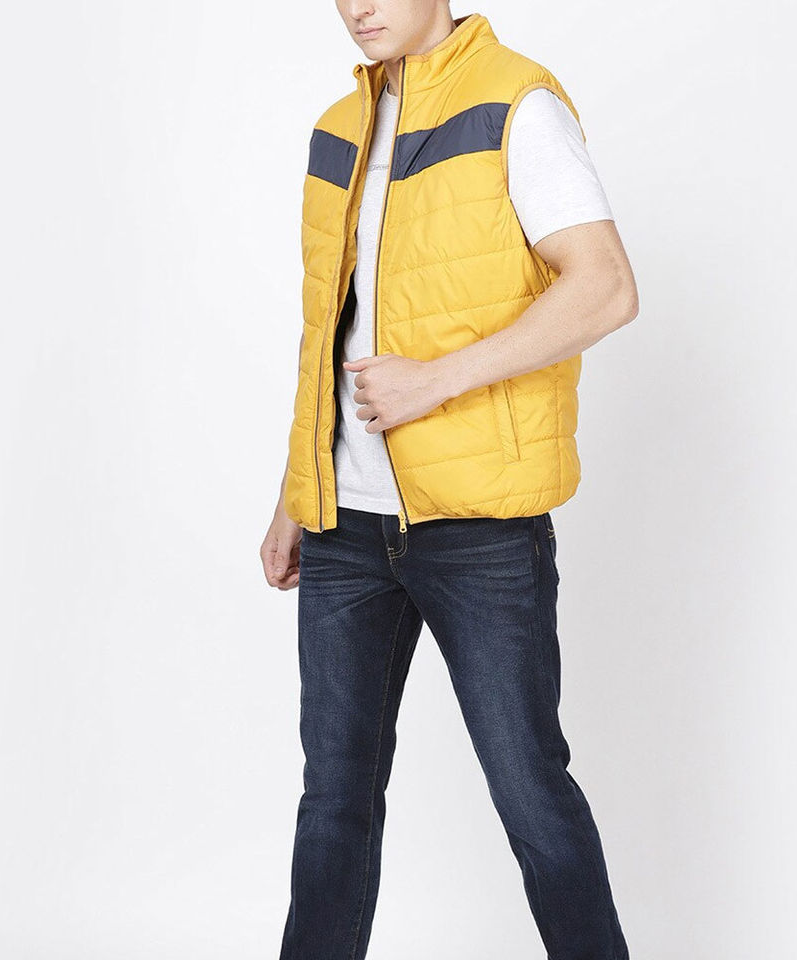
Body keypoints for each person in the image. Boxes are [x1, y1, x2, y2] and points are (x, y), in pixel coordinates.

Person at [260, 4, 638, 958]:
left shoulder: (515, 103)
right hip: (344, 525)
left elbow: (605, 287)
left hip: (478, 528)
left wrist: (437, 380)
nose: (358, 7)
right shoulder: (338, 129)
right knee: (333, 800)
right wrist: (296, 491)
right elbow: (331, 331)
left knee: (530, 792)